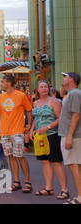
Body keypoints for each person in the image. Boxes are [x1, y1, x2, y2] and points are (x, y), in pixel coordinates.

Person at [0, 75, 33, 193]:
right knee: (11, 156)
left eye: (3, 82)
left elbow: (29, 109)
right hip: (5, 132)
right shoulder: (1, 97)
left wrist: (29, 125)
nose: (1, 84)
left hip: (17, 131)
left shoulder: (21, 95)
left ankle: (28, 181)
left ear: (9, 83)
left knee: (20, 156)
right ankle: (17, 181)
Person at [30, 80, 68, 199]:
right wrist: (32, 129)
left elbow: (60, 118)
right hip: (40, 137)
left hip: (53, 135)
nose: (44, 89)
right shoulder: (35, 103)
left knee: (56, 162)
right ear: (37, 90)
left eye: (45, 86)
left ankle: (64, 189)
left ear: (48, 89)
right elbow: (36, 118)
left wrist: (48, 127)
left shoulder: (54, 102)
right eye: (41, 87)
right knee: (45, 161)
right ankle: (48, 188)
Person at [58, 72, 81, 204]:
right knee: (75, 165)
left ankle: (79, 197)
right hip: (71, 135)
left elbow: (76, 116)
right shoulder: (73, 94)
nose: (63, 79)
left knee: (74, 165)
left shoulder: (75, 94)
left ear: (71, 79)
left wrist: (70, 136)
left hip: (73, 136)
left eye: (65, 76)